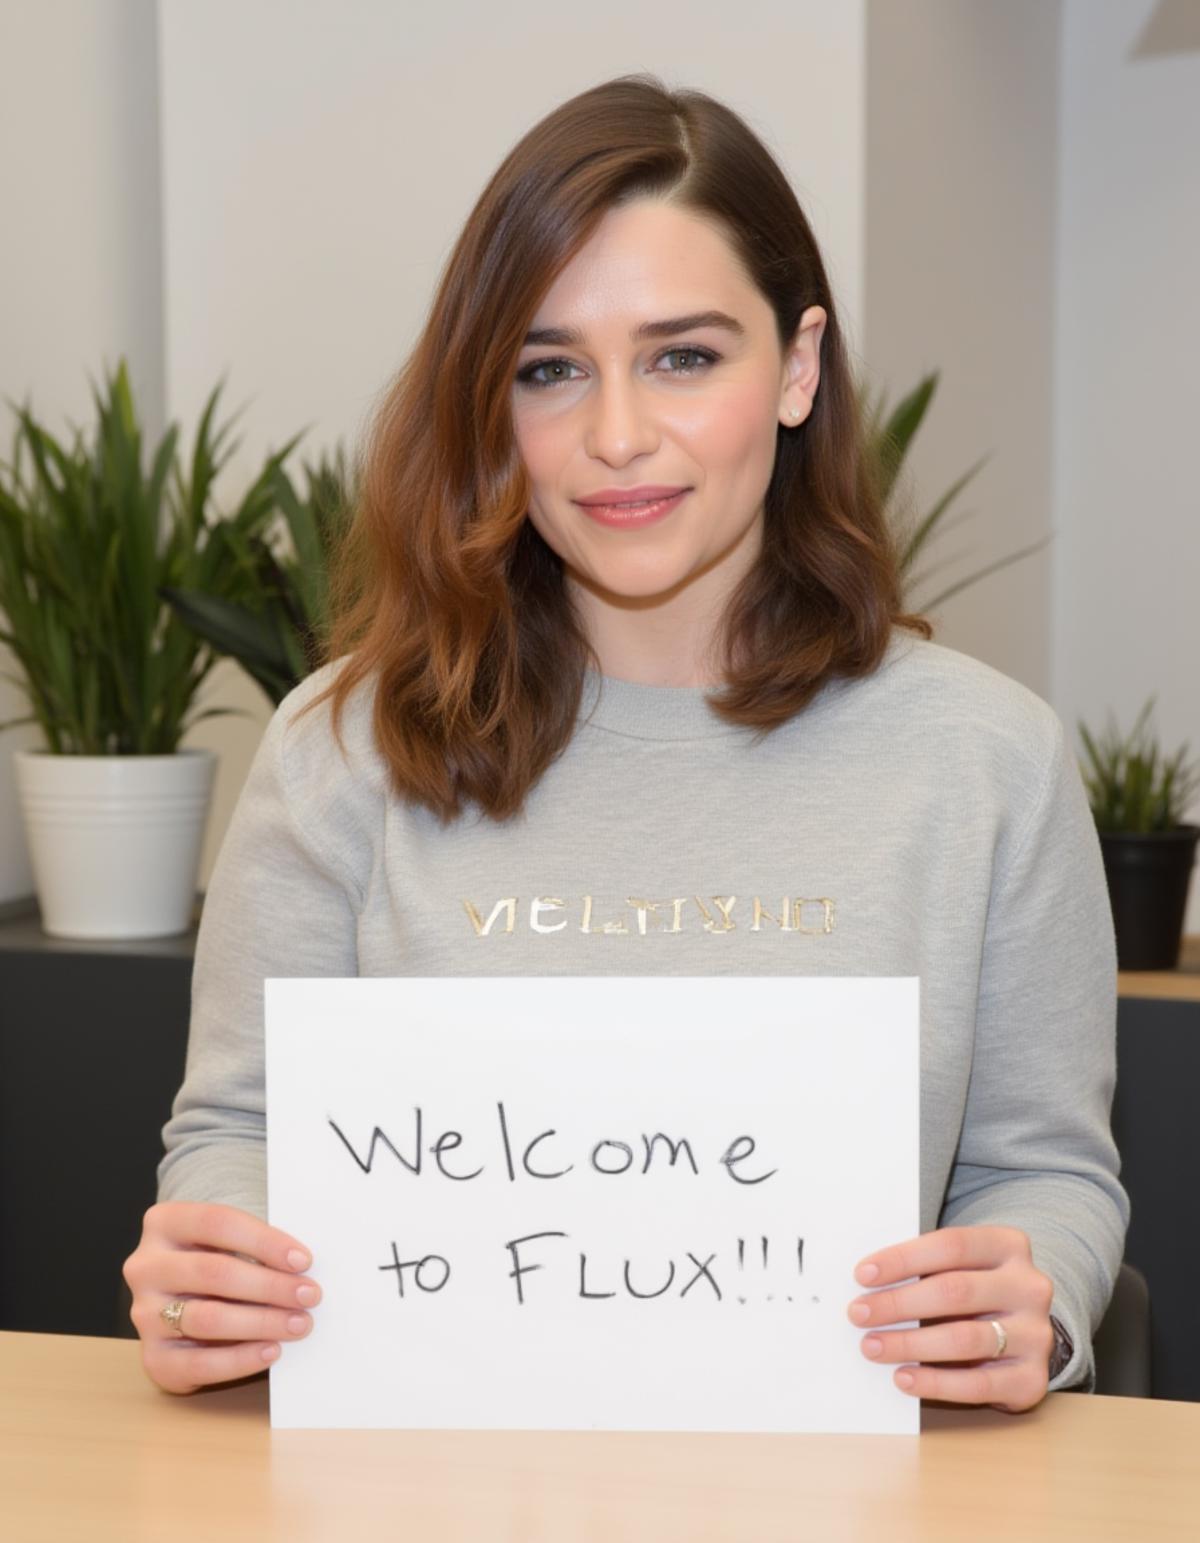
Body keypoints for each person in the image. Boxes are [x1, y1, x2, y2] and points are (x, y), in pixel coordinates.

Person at [122, 73, 1128, 1412]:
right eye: (550, 369)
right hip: (428, 1479)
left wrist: (1034, 1303)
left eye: (685, 356)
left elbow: (1044, 1171)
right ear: (495, 406)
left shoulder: (988, 759)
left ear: (801, 368)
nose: (614, 436)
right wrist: (216, 1265)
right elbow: (238, 1132)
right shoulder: (345, 746)